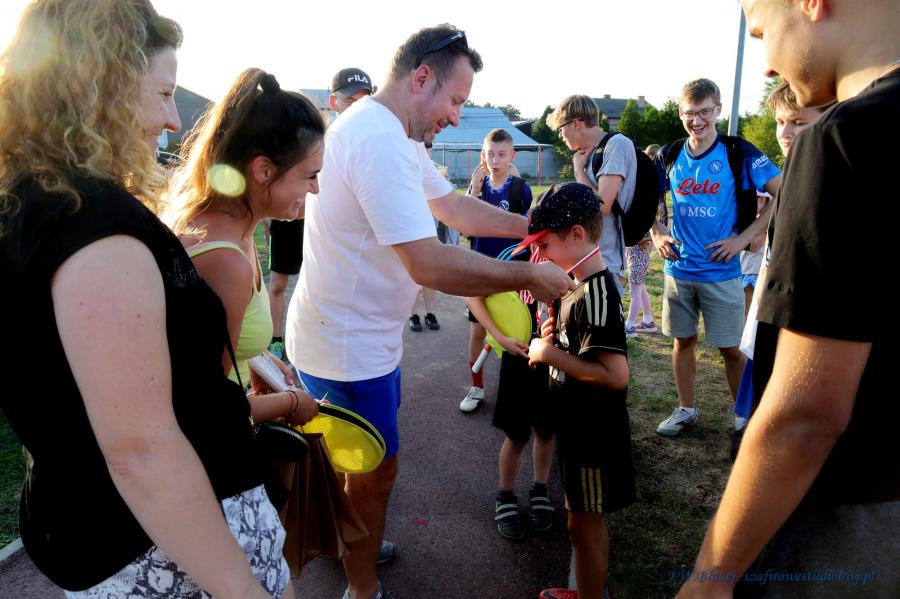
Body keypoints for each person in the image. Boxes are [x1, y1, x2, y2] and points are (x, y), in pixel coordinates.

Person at [0, 2, 290, 597]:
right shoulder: (92, 222)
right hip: (160, 549)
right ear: (100, 85)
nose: (170, 119)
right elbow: (142, 452)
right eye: (162, 93)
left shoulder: (28, 204)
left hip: (101, 531)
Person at [284, 24, 573, 599]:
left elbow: (454, 208)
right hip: (348, 351)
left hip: (356, 340)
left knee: (355, 462)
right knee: (374, 471)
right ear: (421, 78)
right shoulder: (378, 140)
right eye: (455, 100)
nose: (456, 117)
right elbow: (429, 263)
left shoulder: (396, 135)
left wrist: (533, 229)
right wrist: (528, 275)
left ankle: (351, 540)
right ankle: (361, 587)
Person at [676, 1, 900, 597]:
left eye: (761, 31)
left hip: (853, 505)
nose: (769, 64)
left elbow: (807, 414)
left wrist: (710, 577)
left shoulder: (844, 137)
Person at [166, 69, 322, 430]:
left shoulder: (237, 232)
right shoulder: (224, 260)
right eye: (310, 175)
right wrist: (291, 402)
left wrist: (257, 358)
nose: (315, 189)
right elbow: (205, 406)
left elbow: (208, 348)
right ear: (264, 170)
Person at [650, 78, 781, 437]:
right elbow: (643, 198)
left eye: (704, 112)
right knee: (683, 342)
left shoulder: (738, 152)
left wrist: (744, 238)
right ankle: (685, 409)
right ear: (681, 114)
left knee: (731, 349)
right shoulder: (670, 154)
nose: (697, 121)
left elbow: (781, 192)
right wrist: (657, 231)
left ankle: (745, 419)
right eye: (689, 113)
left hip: (722, 273)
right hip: (679, 269)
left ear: (718, 110)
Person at [523, 183, 634, 599]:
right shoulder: (575, 286)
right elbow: (582, 350)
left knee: (584, 528)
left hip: (593, 436)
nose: (540, 255)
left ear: (576, 235)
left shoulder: (598, 291)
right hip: (577, 429)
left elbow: (615, 375)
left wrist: (548, 354)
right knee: (578, 523)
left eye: (544, 244)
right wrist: (555, 340)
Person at [732, 80, 826, 443]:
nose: (784, 133)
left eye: (798, 123)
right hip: (771, 315)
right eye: (779, 122)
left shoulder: (824, 180)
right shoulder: (793, 175)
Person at [466, 264, 556, 541]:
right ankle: (505, 496)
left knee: (546, 430)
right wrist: (500, 336)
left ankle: (540, 489)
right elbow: (474, 294)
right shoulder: (510, 255)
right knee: (516, 435)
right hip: (517, 356)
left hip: (554, 355)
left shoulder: (559, 255)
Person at [460, 128, 533, 412]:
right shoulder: (476, 188)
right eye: (490, 154)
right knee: (478, 329)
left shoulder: (520, 189)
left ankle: (516, 388)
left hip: (510, 270)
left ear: (512, 156)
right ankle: (476, 386)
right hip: (478, 269)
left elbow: (526, 231)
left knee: (514, 325)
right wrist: (475, 191)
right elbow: (466, 228)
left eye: (501, 154)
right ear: (483, 155)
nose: (495, 160)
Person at [547, 95, 638, 298]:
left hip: (605, 262)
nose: (560, 135)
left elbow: (602, 205)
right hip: (585, 257)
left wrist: (579, 171)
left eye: (560, 128)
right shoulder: (590, 153)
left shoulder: (616, 145)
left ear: (576, 124)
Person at [408, 141, 448, 333]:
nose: (426, 149)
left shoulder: (436, 169)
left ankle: (430, 313)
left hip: (431, 227)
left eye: (428, 146)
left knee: (430, 277)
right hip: (411, 228)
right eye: (424, 145)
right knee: (413, 277)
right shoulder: (405, 165)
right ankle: (413, 314)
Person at [624, 143, 663, 338]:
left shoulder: (646, 211)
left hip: (639, 254)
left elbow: (652, 233)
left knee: (635, 291)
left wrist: (642, 238)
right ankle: (648, 321)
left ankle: (629, 326)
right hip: (635, 254)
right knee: (640, 289)